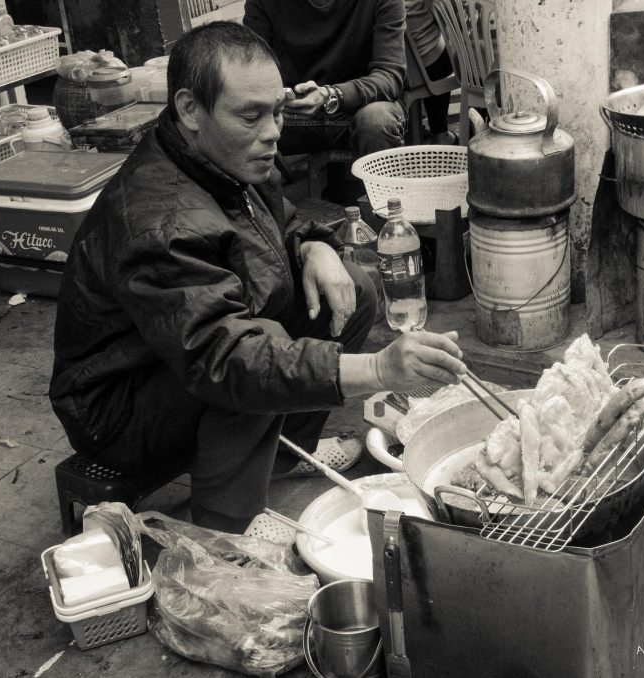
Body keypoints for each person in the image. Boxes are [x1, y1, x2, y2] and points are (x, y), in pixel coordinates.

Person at [49, 21, 466, 533]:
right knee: (259, 356)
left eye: (277, 111)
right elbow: (226, 359)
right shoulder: (158, 219)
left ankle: (289, 456)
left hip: (175, 356)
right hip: (118, 407)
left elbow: (280, 224)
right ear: (189, 110)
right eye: (251, 115)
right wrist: (378, 370)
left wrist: (316, 246)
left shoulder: (230, 153)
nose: (272, 132)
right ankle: (227, 528)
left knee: (350, 289)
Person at [242, 0, 407, 159]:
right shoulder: (263, 3)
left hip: (360, 109)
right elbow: (249, 72)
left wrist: (332, 95)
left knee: (375, 120)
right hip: (293, 116)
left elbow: (389, 75)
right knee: (234, 124)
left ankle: (385, 187)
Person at [405, 0, 458, 144]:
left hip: (398, 67)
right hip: (431, 65)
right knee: (445, 47)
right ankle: (441, 134)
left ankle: (429, 128)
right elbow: (447, 14)